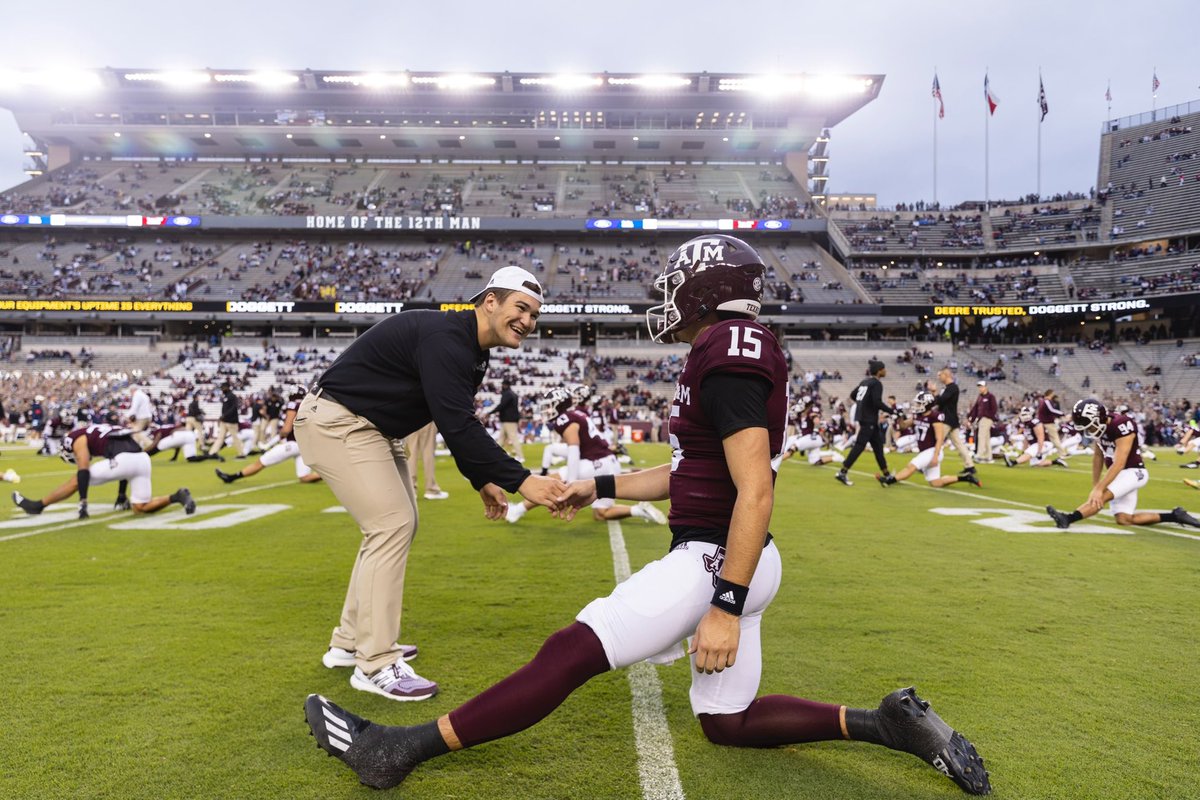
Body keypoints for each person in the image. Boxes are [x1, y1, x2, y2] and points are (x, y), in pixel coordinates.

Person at [303, 234, 991, 796]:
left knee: (570, 651)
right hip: (748, 556)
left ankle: (397, 750)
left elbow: (754, 491)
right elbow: (687, 474)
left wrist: (723, 602)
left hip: (719, 558)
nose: (665, 299)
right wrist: (593, 484)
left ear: (706, 288)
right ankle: (885, 725)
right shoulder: (728, 349)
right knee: (727, 720)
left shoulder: (727, 350)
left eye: (675, 286)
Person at [294, 266, 567, 702]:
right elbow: (457, 423)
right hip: (339, 421)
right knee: (391, 525)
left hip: (370, 428)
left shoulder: (470, 348)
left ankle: (350, 642)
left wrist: (482, 479)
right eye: (522, 308)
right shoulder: (449, 339)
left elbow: (454, 419)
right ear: (490, 302)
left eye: (535, 315)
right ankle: (376, 662)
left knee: (394, 526)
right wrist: (522, 480)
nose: (529, 322)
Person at [505, 386, 666, 525]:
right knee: (601, 514)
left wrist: (571, 480)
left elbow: (574, 451)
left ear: (560, 404)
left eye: (549, 405)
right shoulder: (576, 415)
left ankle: (517, 510)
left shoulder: (565, 418)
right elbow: (578, 448)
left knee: (555, 479)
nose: (546, 410)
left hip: (598, 463)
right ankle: (638, 510)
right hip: (608, 462)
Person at [1047, 399, 1200, 530]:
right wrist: (1096, 485)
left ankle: (1067, 519)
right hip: (1119, 474)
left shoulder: (1121, 425)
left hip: (1133, 472)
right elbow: (1098, 457)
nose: (1089, 429)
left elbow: (1120, 463)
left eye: (1090, 425)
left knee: (1102, 497)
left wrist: (1100, 489)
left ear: (1099, 418)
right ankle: (1175, 516)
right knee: (1124, 519)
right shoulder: (1101, 427)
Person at [12, 415, 195, 518]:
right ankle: (177, 496)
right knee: (140, 506)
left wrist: (83, 503)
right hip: (142, 460)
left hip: (125, 460)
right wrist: (122, 494)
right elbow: (127, 456)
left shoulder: (76, 437)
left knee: (78, 479)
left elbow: (83, 469)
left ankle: (38, 506)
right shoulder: (104, 429)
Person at [216, 386, 321, 484]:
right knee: (304, 477)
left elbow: (286, 429)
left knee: (261, 462)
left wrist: (277, 438)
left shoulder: (293, 405)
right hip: (305, 446)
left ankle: (232, 477)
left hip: (293, 444)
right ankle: (331, 475)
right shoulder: (309, 405)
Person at [878, 392, 982, 489]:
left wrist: (935, 456)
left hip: (932, 450)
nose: (917, 405)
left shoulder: (935, 417)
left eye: (919, 403)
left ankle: (889, 481)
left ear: (926, 404)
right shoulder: (917, 416)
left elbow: (939, 438)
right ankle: (966, 477)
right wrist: (899, 418)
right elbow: (903, 426)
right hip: (925, 451)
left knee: (911, 466)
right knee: (936, 483)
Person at [834, 359, 893, 486]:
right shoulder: (876, 383)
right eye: (884, 369)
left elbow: (853, 395)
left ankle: (887, 474)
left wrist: (864, 403)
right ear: (879, 371)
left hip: (865, 418)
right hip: (869, 419)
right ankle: (842, 472)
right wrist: (891, 411)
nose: (885, 371)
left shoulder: (864, 382)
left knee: (878, 448)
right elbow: (877, 402)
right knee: (859, 446)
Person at [931, 368, 974, 473]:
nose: (939, 377)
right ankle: (970, 466)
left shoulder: (952, 387)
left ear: (946, 375)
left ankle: (929, 463)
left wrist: (935, 392)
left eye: (940, 375)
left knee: (936, 441)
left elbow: (940, 401)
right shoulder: (948, 388)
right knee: (958, 443)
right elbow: (939, 402)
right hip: (951, 419)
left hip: (947, 419)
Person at [1003, 407, 1068, 468]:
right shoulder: (1026, 424)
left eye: (1025, 414)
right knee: (1036, 463)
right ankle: (1056, 462)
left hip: (1044, 443)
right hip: (1036, 444)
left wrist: (1039, 452)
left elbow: (1041, 437)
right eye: (1022, 414)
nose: (1023, 416)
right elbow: (1026, 439)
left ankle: (1012, 463)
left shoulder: (1035, 423)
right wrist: (1023, 451)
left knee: (1029, 452)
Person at [405, 421, 447, 499]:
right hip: (425, 417)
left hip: (410, 416)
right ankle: (431, 488)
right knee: (428, 450)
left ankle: (411, 489)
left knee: (411, 452)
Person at [493, 379, 524, 462]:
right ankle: (495, 455)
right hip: (510, 419)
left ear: (505, 385)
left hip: (508, 420)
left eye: (503, 385)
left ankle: (520, 457)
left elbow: (502, 405)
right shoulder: (513, 394)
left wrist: (491, 412)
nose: (502, 386)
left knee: (513, 438)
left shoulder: (507, 394)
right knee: (501, 439)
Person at [207, 384, 241, 459]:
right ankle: (212, 453)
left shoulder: (232, 396)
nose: (222, 389)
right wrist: (223, 416)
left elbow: (234, 408)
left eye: (223, 388)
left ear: (227, 387)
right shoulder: (225, 396)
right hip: (224, 421)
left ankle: (241, 454)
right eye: (221, 388)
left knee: (235, 438)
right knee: (220, 438)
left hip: (232, 421)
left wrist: (225, 415)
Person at [967, 381, 997, 464]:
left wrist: (989, 416)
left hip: (987, 418)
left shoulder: (991, 397)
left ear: (986, 387)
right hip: (981, 419)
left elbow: (994, 408)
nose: (980, 388)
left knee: (981, 436)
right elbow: (975, 409)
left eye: (982, 386)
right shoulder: (980, 397)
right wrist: (970, 417)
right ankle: (988, 456)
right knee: (986, 438)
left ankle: (980, 455)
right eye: (979, 387)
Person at [1037, 389, 1070, 460]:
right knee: (1055, 438)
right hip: (1048, 423)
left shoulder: (1043, 401)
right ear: (1050, 394)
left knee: (1044, 438)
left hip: (1044, 422)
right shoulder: (1047, 401)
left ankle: (1038, 452)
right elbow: (1051, 410)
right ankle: (1062, 453)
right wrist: (1062, 414)